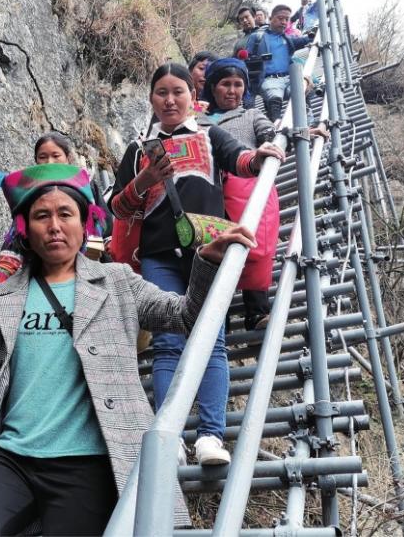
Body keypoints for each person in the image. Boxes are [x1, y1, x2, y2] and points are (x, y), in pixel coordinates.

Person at [0, 162, 257, 534]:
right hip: (11, 457)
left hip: (88, 461)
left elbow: (181, 317)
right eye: (41, 216)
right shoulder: (2, 298)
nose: (54, 226)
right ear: (24, 229)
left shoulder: (117, 282)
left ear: (85, 223)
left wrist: (207, 261)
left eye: (66, 213)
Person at [107, 63, 285, 467]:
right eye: (161, 93)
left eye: (178, 92)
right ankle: (170, 436)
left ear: (192, 97)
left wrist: (261, 158)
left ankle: (210, 436)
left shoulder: (209, 134)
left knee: (213, 341)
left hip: (210, 252)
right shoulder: (138, 150)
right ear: (151, 100)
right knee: (168, 344)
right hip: (157, 256)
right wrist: (145, 179)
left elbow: (240, 160)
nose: (170, 100)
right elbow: (117, 206)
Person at [202, 58, 282, 331]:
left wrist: (278, 139)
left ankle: (256, 310)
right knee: (214, 243)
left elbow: (268, 134)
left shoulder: (251, 115)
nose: (232, 90)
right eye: (225, 84)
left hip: (247, 182)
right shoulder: (197, 119)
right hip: (212, 189)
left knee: (256, 240)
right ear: (212, 87)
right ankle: (216, 317)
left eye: (238, 85)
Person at [0, 131, 112, 292]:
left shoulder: (86, 184)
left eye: (56, 155)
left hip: (86, 260)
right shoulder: (31, 191)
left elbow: (104, 224)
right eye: (42, 157)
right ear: (36, 161)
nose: (49, 161)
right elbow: (18, 233)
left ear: (68, 158)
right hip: (43, 267)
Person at [242, 4, 313, 122]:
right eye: (280, 18)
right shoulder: (257, 37)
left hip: (288, 78)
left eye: (287, 19)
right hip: (268, 80)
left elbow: (303, 40)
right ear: (270, 18)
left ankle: (308, 121)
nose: (284, 22)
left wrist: (313, 35)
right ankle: (276, 127)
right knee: (275, 99)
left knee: (304, 88)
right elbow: (246, 59)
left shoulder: (287, 39)